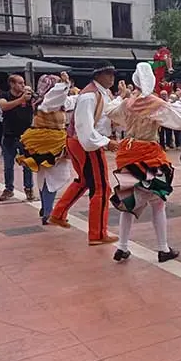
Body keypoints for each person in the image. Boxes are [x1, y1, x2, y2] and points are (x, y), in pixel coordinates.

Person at [105, 62, 181, 263]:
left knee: (127, 202)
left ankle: (122, 246)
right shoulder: (154, 103)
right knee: (157, 202)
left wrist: (123, 94)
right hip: (149, 155)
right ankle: (163, 248)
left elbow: (111, 111)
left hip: (128, 153)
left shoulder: (129, 102)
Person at [48, 61, 121, 246]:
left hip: (79, 141)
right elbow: (85, 128)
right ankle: (97, 233)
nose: (112, 77)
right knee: (101, 187)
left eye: (113, 73)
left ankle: (58, 213)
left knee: (84, 180)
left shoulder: (97, 92)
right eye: (108, 74)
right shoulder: (90, 95)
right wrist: (105, 142)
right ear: (98, 75)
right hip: (86, 144)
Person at [15, 74, 74, 225]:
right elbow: (57, 98)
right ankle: (47, 212)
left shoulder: (44, 100)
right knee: (52, 177)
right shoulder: (47, 101)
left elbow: (69, 101)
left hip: (43, 141)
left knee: (45, 177)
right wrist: (64, 85)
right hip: (50, 143)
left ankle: (45, 208)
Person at [0, 74, 35, 201]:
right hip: (9, 136)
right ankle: (9, 189)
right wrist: (21, 99)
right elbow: (4, 106)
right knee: (8, 165)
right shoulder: (4, 95)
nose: (23, 85)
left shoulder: (29, 96)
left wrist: (31, 96)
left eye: (23, 83)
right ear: (12, 84)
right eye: (20, 83)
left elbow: (42, 104)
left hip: (26, 136)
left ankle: (29, 189)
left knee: (28, 165)